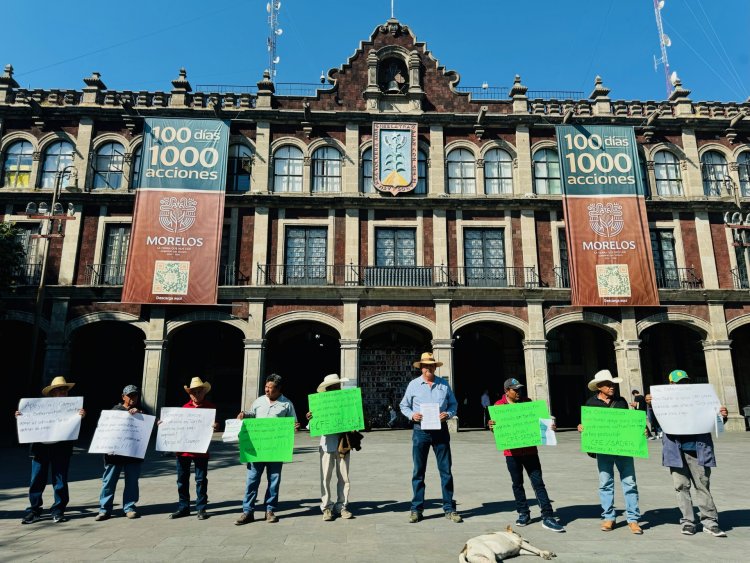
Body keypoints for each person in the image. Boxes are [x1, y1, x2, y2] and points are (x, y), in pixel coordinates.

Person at [488, 378, 565, 533]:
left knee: (538, 483)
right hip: (511, 453)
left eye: (519, 389)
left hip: (530, 451)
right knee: (517, 484)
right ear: (506, 391)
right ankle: (523, 513)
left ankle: (548, 515)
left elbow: (541, 423)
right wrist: (492, 426)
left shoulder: (528, 403)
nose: (518, 392)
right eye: (515, 390)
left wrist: (550, 427)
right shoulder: (498, 406)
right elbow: (497, 430)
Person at [661, 369, 728, 537]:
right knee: (681, 486)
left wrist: (722, 416)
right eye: (679, 383)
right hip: (675, 450)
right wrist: (650, 405)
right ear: (671, 385)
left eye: (685, 382)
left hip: (699, 449)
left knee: (702, 485)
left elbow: (714, 421)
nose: (683, 385)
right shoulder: (664, 401)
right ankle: (688, 521)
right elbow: (656, 422)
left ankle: (710, 522)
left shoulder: (700, 398)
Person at [577, 369, 643, 534]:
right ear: (599, 387)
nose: (612, 386)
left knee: (630, 483)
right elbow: (586, 424)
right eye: (608, 384)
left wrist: (640, 430)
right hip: (603, 449)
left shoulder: (621, 401)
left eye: (613, 384)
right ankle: (608, 517)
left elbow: (629, 423)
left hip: (623, 448)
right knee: (605, 483)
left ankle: (633, 519)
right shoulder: (590, 403)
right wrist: (581, 427)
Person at [399, 352, 462, 524]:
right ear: (421, 368)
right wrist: (412, 415)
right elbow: (403, 405)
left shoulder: (443, 384)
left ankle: (449, 508)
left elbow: (453, 404)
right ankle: (416, 509)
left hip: (440, 430)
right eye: (425, 366)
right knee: (418, 471)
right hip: (421, 431)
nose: (429, 368)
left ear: (435, 367)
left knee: (446, 471)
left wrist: (447, 414)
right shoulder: (413, 385)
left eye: (431, 365)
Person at [17, 376, 86, 524]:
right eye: (60, 389)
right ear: (52, 392)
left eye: (65, 390)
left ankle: (58, 510)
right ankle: (34, 510)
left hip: (61, 448)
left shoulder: (72, 407)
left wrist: (80, 416)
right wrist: (21, 416)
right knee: (37, 480)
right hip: (40, 448)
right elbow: (28, 420)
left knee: (60, 480)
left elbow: (75, 428)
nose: (63, 392)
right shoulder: (38, 406)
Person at [235, 374, 299, 525]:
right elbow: (252, 414)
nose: (267, 390)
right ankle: (247, 511)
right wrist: (244, 414)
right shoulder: (258, 401)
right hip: (257, 449)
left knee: (274, 480)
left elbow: (293, 424)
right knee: (252, 480)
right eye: (266, 387)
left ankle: (269, 510)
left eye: (271, 388)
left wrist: (294, 427)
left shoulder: (287, 404)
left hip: (276, 450)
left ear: (279, 389)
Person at [95, 385, 148, 521]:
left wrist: (141, 415)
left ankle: (129, 508)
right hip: (114, 455)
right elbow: (103, 429)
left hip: (133, 454)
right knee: (109, 482)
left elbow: (148, 429)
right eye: (129, 395)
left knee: (132, 482)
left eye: (135, 395)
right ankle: (104, 509)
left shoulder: (142, 412)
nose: (132, 398)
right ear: (123, 396)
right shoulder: (114, 411)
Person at [306, 373, 354, 521]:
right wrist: (311, 418)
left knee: (344, 477)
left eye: (337, 385)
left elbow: (354, 419)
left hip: (343, 443)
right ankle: (326, 507)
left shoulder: (346, 401)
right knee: (325, 477)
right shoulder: (320, 403)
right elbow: (311, 428)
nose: (336, 387)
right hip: (326, 444)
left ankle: (342, 506)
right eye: (333, 386)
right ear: (327, 388)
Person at [170, 377, 218, 521]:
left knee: (201, 480)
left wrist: (216, 426)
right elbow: (175, 426)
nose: (196, 395)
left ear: (204, 392)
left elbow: (213, 426)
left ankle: (201, 509)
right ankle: (183, 507)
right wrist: (164, 425)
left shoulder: (210, 408)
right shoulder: (184, 408)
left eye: (199, 392)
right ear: (189, 394)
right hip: (183, 451)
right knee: (182, 480)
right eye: (193, 392)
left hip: (200, 451)